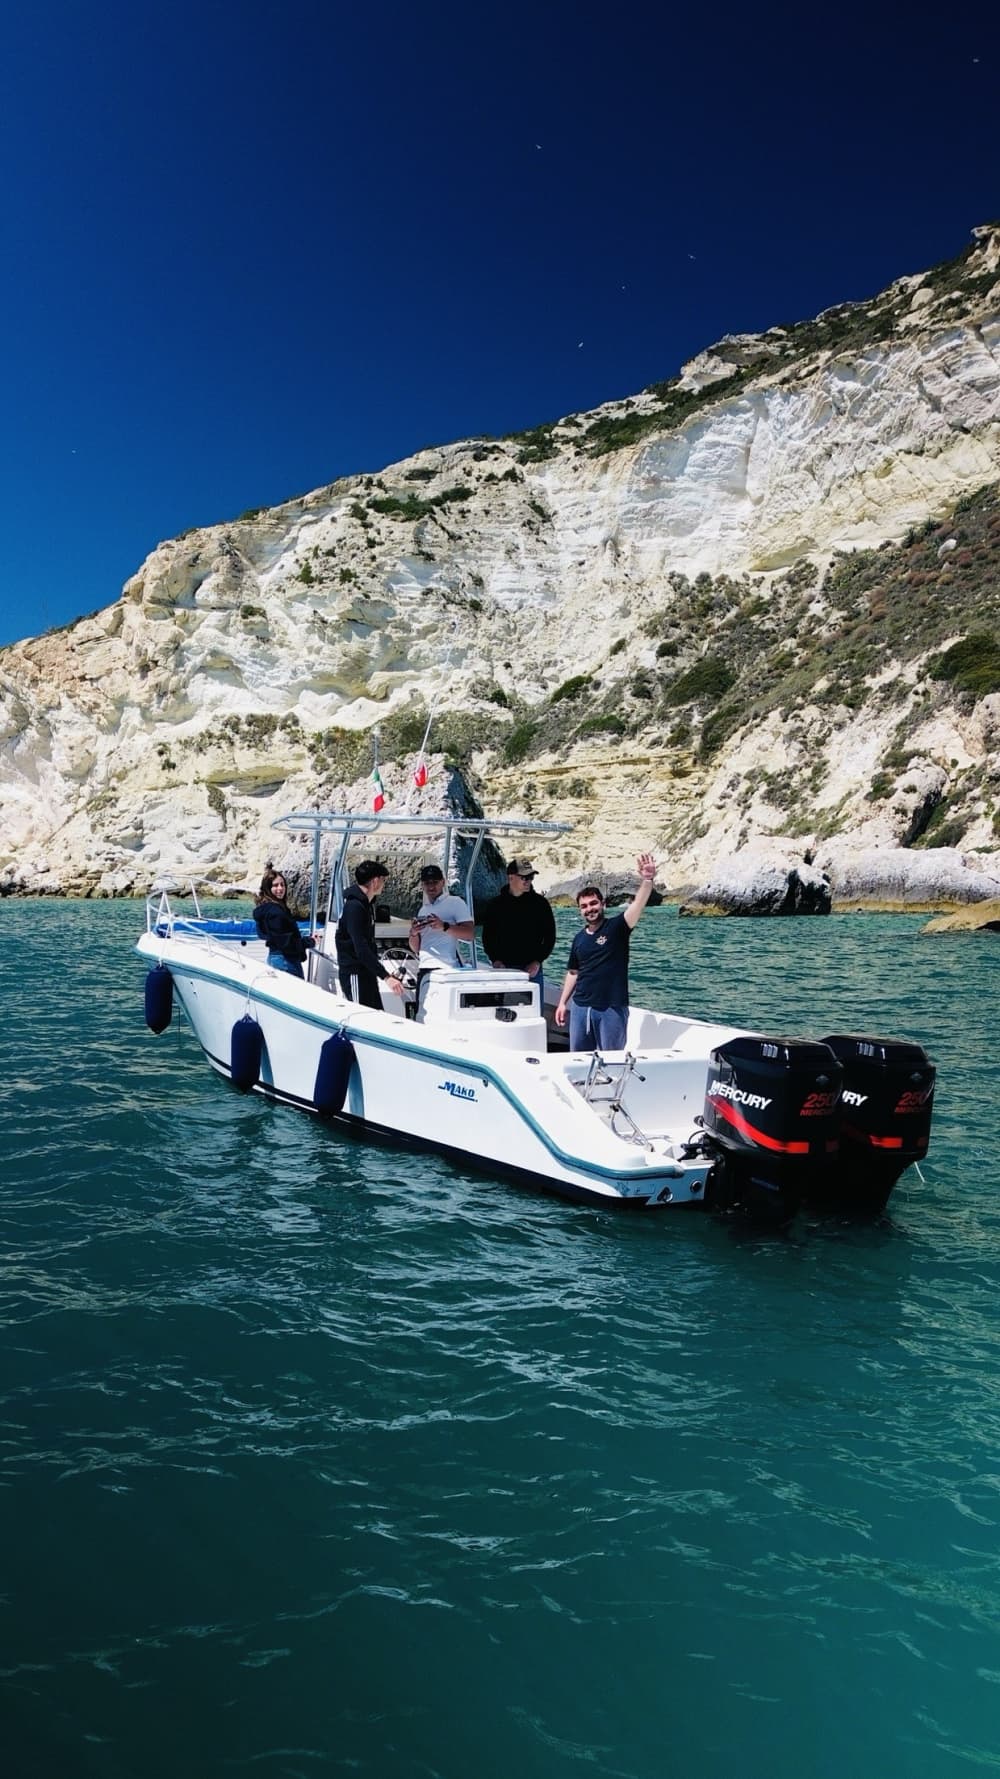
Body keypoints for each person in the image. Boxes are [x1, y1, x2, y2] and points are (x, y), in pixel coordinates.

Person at [554, 854, 658, 1052]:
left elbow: (638, 904)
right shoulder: (579, 938)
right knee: (578, 1061)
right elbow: (573, 972)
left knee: (611, 1062)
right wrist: (561, 1003)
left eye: (593, 903)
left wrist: (647, 880)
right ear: (579, 911)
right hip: (580, 1008)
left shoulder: (618, 927)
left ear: (603, 904)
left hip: (611, 1008)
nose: (589, 909)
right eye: (584, 906)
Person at [481, 857, 556, 1003]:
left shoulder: (541, 904)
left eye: (531, 877)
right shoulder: (495, 905)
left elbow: (550, 937)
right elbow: (487, 937)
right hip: (503, 969)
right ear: (511, 877)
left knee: (532, 1014)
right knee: (502, 1012)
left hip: (532, 970)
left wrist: (537, 961)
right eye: (524, 877)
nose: (528, 881)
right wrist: (495, 960)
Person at [335, 859, 406, 1010]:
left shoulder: (365, 905)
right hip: (355, 974)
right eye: (383, 880)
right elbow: (361, 949)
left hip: (366, 973)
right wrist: (386, 977)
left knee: (377, 1014)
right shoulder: (355, 908)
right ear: (375, 881)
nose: (384, 884)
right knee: (361, 1017)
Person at [408, 864, 475, 1009]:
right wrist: (413, 932)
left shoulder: (455, 902)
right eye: (427, 883)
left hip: (446, 970)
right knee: (423, 1013)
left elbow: (470, 934)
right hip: (424, 969)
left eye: (435, 882)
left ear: (443, 882)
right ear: (422, 885)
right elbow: (416, 948)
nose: (431, 886)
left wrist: (443, 926)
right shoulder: (423, 909)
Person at [253, 868, 315, 978]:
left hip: (276, 958)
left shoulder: (266, 910)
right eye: (275, 885)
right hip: (286, 961)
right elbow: (286, 943)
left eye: (282, 885)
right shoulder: (275, 913)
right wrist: (309, 941)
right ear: (268, 888)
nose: (280, 888)